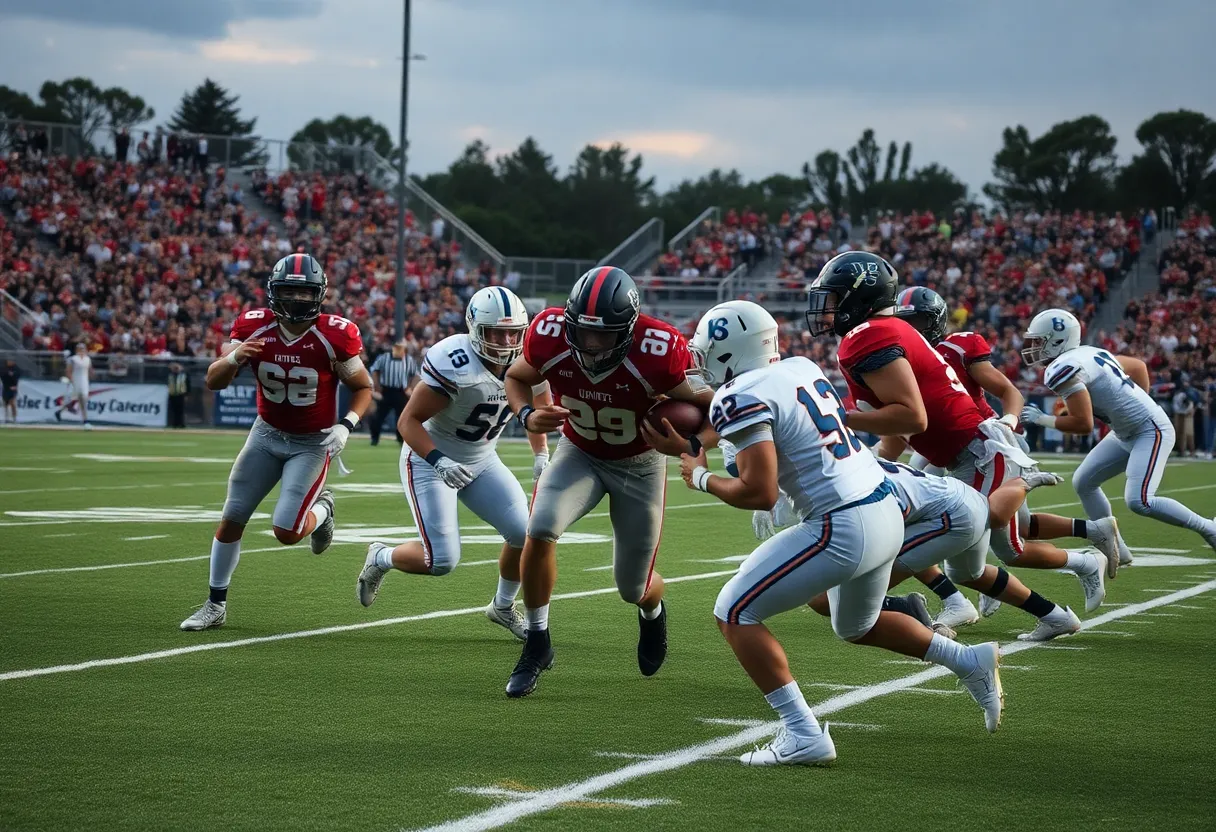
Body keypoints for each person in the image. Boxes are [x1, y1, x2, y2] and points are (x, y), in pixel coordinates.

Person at [677, 300, 1002, 766]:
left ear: (730, 351)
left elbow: (759, 491)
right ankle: (968, 661)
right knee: (855, 625)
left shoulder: (738, 397)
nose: (700, 360)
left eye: (706, 350)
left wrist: (700, 477)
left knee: (733, 611)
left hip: (841, 523)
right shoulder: (800, 367)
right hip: (884, 509)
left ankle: (802, 733)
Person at [808, 251, 1104, 641]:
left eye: (834, 298)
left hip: (979, 454)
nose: (826, 309)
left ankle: (912, 615)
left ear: (858, 297)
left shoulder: (868, 336)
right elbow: (904, 424)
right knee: (964, 569)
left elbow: (912, 418)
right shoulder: (886, 333)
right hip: (964, 455)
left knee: (978, 546)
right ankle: (1055, 615)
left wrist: (837, 417)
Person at [501, 266, 713, 697]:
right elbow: (516, 377)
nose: (593, 345)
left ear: (630, 329)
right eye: (584, 333)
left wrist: (692, 442)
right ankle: (538, 642)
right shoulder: (550, 332)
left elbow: (719, 409)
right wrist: (526, 415)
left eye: (605, 335)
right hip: (578, 452)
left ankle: (652, 611)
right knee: (539, 527)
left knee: (632, 586)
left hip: (639, 464)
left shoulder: (661, 350)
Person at [894, 287, 1130, 624]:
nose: (914, 327)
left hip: (987, 443)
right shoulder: (905, 358)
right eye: (908, 321)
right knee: (1022, 528)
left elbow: (1008, 391)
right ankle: (1093, 534)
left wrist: (1010, 419)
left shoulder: (956, 347)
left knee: (1005, 546)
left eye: (918, 319)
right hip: (963, 449)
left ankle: (1062, 574)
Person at [180, 254, 373, 631]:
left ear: (319, 295)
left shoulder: (335, 333)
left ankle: (324, 512)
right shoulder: (253, 326)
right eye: (289, 291)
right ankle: (215, 604)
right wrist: (235, 356)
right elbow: (214, 380)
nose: (297, 300)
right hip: (265, 433)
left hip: (311, 443)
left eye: (305, 293)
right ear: (273, 292)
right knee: (232, 516)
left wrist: (347, 425)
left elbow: (363, 387)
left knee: (286, 532)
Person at [356, 287, 551, 638]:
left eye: (513, 332)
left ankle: (503, 607)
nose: (506, 341)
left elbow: (538, 411)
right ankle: (381, 557)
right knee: (441, 560)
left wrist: (541, 454)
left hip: (482, 458)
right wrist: (439, 460)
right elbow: (407, 422)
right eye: (496, 332)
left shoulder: (530, 359)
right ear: (476, 329)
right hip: (430, 459)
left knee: (525, 534)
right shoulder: (454, 360)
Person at [1021, 309, 1216, 555]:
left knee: (1140, 500)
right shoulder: (1089, 352)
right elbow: (1138, 366)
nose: (1035, 346)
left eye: (1040, 341)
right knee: (1084, 482)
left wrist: (1043, 419)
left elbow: (1083, 424)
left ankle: (1209, 528)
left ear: (1057, 340)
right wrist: (1136, 402)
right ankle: (1115, 549)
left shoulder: (1063, 367)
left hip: (1149, 429)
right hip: (1126, 431)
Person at [368, 340, 418, 445]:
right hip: (386, 390)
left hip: (401, 391)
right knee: (379, 416)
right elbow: (374, 370)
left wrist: (409, 387)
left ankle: (401, 439)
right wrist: (377, 386)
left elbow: (415, 374)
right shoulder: (384, 358)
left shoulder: (409, 360)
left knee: (402, 417)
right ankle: (374, 438)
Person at [60, 344, 92, 428]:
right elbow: (68, 371)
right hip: (75, 381)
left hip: (84, 382)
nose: (82, 351)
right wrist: (72, 381)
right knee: (71, 400)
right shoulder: (72, 359)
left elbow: (89, 371)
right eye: (80, 349)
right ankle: (60, 411)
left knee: (83, 401)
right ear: (77, 350)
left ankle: (85, 420)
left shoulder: (88, 359)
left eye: (83, 349)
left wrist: (88, 380)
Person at [1172, 382, 1196, 457]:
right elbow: (1175, 405)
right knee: (1180, 433)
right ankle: (1182, 450)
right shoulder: (1178, 395)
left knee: (1188, 433)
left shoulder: (1188, 394)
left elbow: (1191, 404)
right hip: (1180, 413)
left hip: (1187, 414)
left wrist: (1186, 411)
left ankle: (1191, 450)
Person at [167, 362, 189, 428]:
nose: (176, 369)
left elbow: (188, 385)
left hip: (181, 394)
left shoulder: (184, 375)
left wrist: (187, 394)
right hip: (172, 394)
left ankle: (181, 424)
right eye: (175, 368)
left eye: (177, 368)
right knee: (174, 410)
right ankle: (174, 424)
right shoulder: (170, 375)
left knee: (181, 410)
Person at [1, 359, 18, 423]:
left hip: (13, 388)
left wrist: (15, 385)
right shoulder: (4, 369)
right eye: (9, 361)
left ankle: (14, 418)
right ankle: (6, 418)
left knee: (12, 403)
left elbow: (17, 377)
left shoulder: (16, 369)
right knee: (5, 403)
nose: (11, 362)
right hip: (6, 388)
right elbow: (3, 376)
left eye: (11, 361)